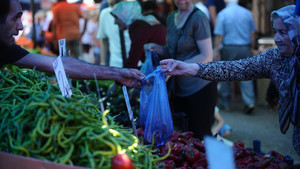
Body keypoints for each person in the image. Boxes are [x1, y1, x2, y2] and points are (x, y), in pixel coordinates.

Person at [159, 5, 300, 155]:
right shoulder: (275, 59)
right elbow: (234, 69)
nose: (277, 38)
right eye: (275, 32)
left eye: (283, 32)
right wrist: (188, 68)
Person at [0, 0, 145, 88]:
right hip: (76, 35)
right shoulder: (71, 8)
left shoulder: (6, 50)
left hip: (65, 36)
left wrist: (117, 73)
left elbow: (61, 64)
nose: (21, 27)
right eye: (15, 19)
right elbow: (84, 18)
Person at [149, 0, 217, 140]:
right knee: (184, 136)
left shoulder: (199, 18)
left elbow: (207, 55)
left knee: (201, 135)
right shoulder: (171, 17)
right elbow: (174, 51)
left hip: (199, 86)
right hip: (179, 88)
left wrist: (178, 65)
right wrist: (158, 48)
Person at [214, 0, 256, 113]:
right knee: (246, 74)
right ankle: (250, 102)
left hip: (229, 47)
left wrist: (216, 50)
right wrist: (251, 47)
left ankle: (225, 103)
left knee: (226, 74)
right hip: (244, 47)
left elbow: (219, 34)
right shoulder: (247, 13)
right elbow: (252, 33)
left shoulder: (223, 13)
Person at [111, 1, 167, 69]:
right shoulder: (146, 21)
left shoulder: (139, 26)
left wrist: (118, 74)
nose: (115, 22)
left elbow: (133, 58)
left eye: (117, 17)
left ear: (125, 15)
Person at [96, 0, 131, 67]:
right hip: (116, 64)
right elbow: (103, 40)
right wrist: (102, 62)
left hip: (136, 62)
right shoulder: (105, 14)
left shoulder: (133, 11)